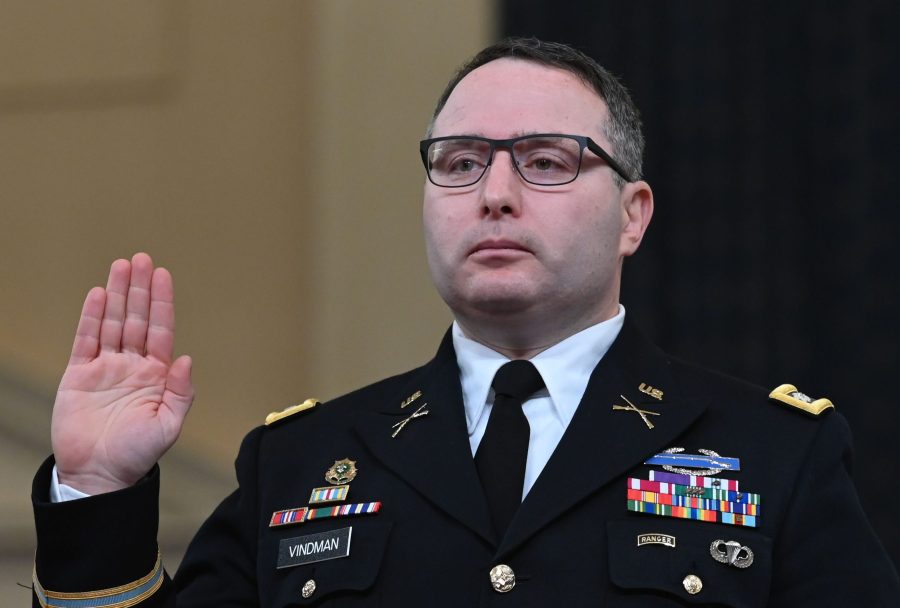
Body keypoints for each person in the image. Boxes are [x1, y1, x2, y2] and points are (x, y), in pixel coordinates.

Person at [31, 37, 899, 607]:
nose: (494, 194)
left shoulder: (774, 454)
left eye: (547, 162)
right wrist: (97, 493)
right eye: (460, 163)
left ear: (633, 215)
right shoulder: (296, 465)